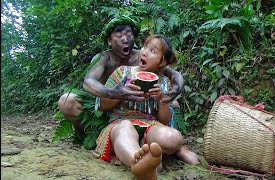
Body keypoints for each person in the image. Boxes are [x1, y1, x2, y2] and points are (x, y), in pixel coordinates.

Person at [92, 34, 198, 180]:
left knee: (173, 137)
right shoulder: (122, 72)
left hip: (150, 127)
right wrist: (119, 94)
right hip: (121, 123)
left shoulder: (163, 82)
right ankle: (139, 164)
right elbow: (102, 105)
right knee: (125, 128)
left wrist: (162, 100)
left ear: (162, 62)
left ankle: (149, 158)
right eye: (144, 47)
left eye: (152, 51)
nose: (144, 52)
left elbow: (165, 121)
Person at [58, 16, 183, 131]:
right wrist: (114, 93)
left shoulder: (142, 55)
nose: (125, 39)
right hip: (103, 107)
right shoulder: (103, 58)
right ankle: (93, 133)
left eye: (129, 35)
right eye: (119, 36)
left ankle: (158, 137)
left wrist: (178, 86)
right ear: (109, 41)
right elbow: (88, 82)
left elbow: (172, 72)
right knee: (67, 100)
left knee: (174, 104)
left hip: (135, 110)